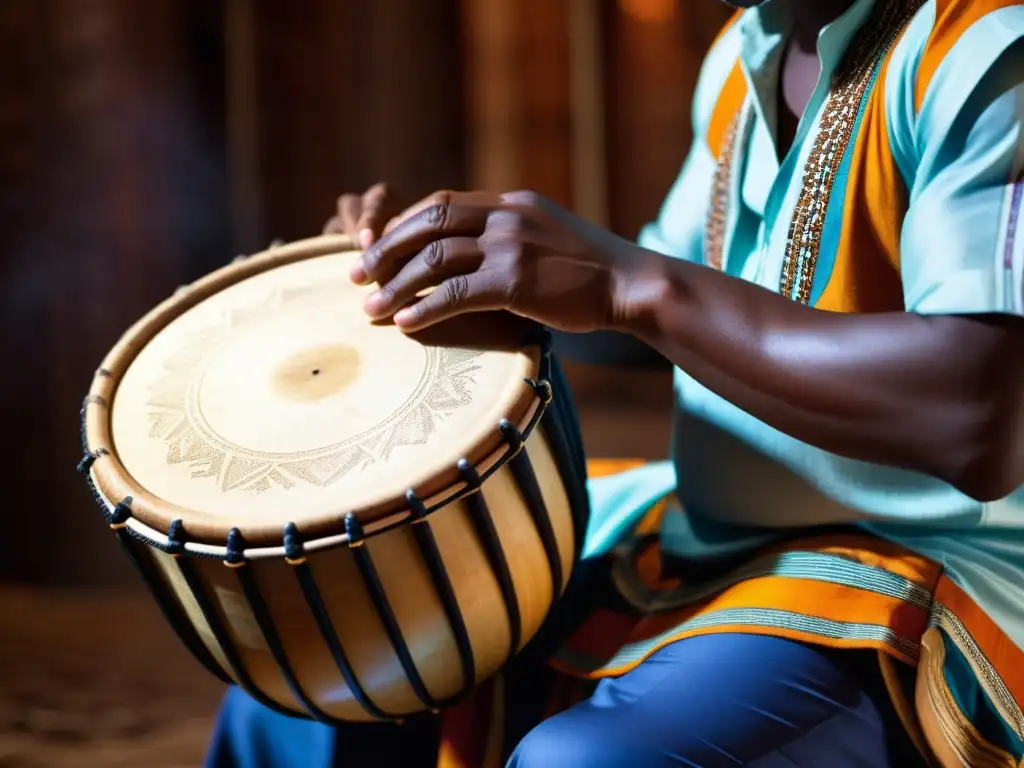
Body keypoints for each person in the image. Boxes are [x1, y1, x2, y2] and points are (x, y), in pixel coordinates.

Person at [206, 0, 1024, 765]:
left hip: (941, 567)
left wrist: (628, 285)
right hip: (711, 534)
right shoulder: (748, 54)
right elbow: (657, 312)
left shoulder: (988, 50)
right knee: (318, 685)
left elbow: (976, 417)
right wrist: (419, 284)